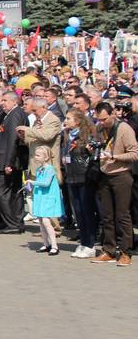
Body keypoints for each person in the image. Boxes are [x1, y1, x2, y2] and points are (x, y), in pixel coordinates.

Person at [91, 102, 138, 266]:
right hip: (105, 175)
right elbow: (98, 146)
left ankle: (126, 252)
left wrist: (116, 157)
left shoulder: (124, 129)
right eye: (99, 119)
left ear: (112, 114)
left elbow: (134, 153)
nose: (101, 122)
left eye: (104, 119)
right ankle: (108, 250)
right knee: (107, 216)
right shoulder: (99, 128)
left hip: (121, 175)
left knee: (123, 215)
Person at [61, 108, 99, 259]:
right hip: (71, 176)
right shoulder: (67, 135)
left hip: (84, 177)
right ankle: (83, 242)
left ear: (77, 121)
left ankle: (90, 244)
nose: (66, 121)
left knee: (86, 211)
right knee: (78, 212)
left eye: (69, 118)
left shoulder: (86, 135)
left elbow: (92, 154)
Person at [0, 92, 28, 234]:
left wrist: (8, 163)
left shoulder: (15, 114)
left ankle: (13, 223)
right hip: (4, 158)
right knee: (12, 192)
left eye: (5, 100)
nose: (2, 103)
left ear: (14, 101)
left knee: (2, 192)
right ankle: (15, 222)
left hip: (7, 160)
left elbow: (13, 140)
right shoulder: (7, 114)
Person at [26, 145, 65, 255]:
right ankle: (46, 244)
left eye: (38, 155)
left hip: (47, 198)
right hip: (40, 197)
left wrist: (33, 182)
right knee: (41, 222)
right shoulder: (39, 169)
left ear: (46, 157)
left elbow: (46, 183)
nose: (36, 157)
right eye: (35, 155)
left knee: (47, 222)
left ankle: (54, 245)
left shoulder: (50, 169)